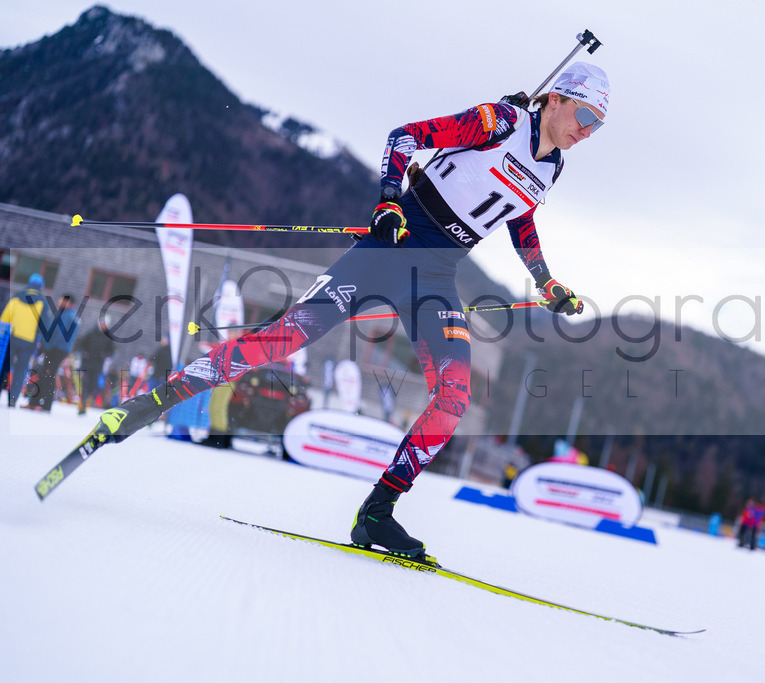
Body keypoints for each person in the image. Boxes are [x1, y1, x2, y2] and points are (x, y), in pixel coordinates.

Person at [74, 62, 610, 563]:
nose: (587, 131)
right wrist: (389, 201)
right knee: (283, 339)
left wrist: (546, 280)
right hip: (390, 248)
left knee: (454, 395)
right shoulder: (499, 121)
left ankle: (377, 513)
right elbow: (406, 137)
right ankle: (150, 403)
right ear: (557, 99)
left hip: (437, 275)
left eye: (598, 125)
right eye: (585, 115)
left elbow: (521, 218)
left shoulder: (553, 165)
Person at [28, 293, 79, 412]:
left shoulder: (67, 315)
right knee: (47, 374)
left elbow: (59, 334)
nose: (59, 301)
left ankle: (44, 404)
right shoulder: (69, 314)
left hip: (56, 349)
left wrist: (47, 346)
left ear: (68, 302)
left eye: (62, 300)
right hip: (59, 349)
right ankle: (37, 403)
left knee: (48, 375)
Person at [1, 273, 46, 407]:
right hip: (29, 342)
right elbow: (44, 325)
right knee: (20, 370)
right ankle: (13, 398)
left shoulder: (16, 297)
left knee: (4, 367)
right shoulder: (42, 302)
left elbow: (4, 319)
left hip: (12, 339)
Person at [76, 316, 115, 414]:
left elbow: (111, 351)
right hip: (86, 364)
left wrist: (105, 354)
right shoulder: (91, 333)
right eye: (102, 324)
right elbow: (80, 344)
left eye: (105, 324)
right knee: (84, 384)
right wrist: (84, 353)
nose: (103, 326)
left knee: (92, 386)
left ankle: (87, 402)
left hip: (97, 366)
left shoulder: (108, 338)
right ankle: (82, 404)